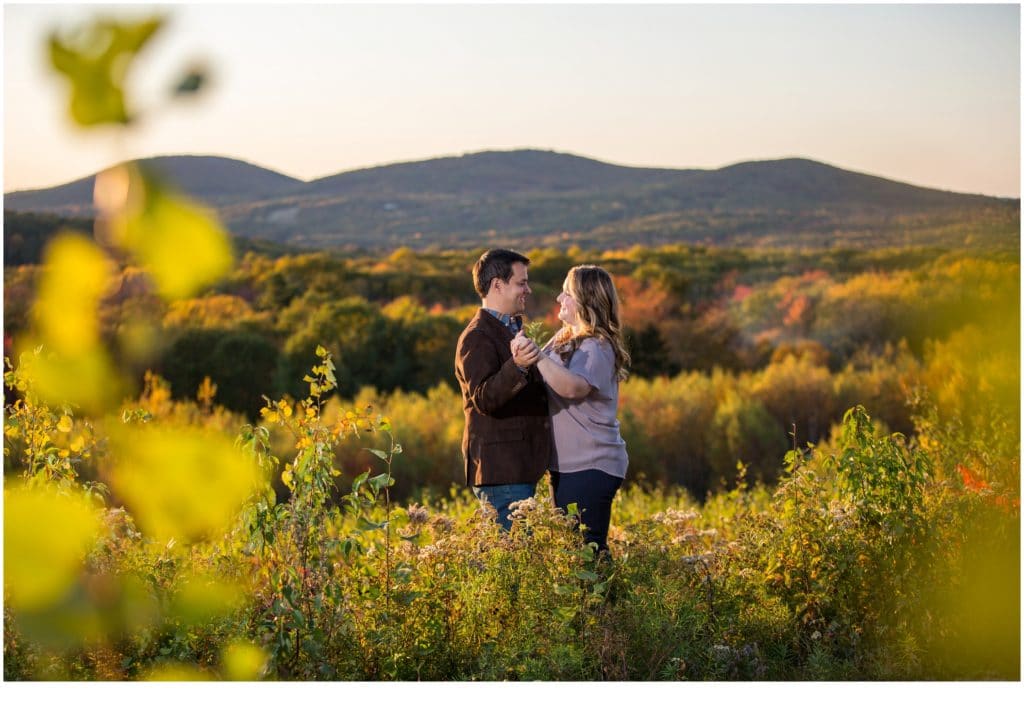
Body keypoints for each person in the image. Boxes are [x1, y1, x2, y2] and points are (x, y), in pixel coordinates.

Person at [512, 265, 629, 553]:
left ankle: (607, 600)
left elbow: (573, 387)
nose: (558, 299)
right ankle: (599, 599)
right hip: (567, 465)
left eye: (566, 293)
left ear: (585, 300)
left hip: (591, 463)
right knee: (573, 550)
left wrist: (537, 356)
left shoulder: (598, 347)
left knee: (587, 551)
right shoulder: (564, 339)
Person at [455, 249, 552, 530]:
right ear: (497, 285)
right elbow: (484, 398)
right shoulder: (475, 337)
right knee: (516, 563)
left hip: (520, 469)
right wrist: (518, 365)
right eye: (521, 283)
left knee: (522, 561)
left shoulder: (512, 330)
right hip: (503, 473)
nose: (528, 289)